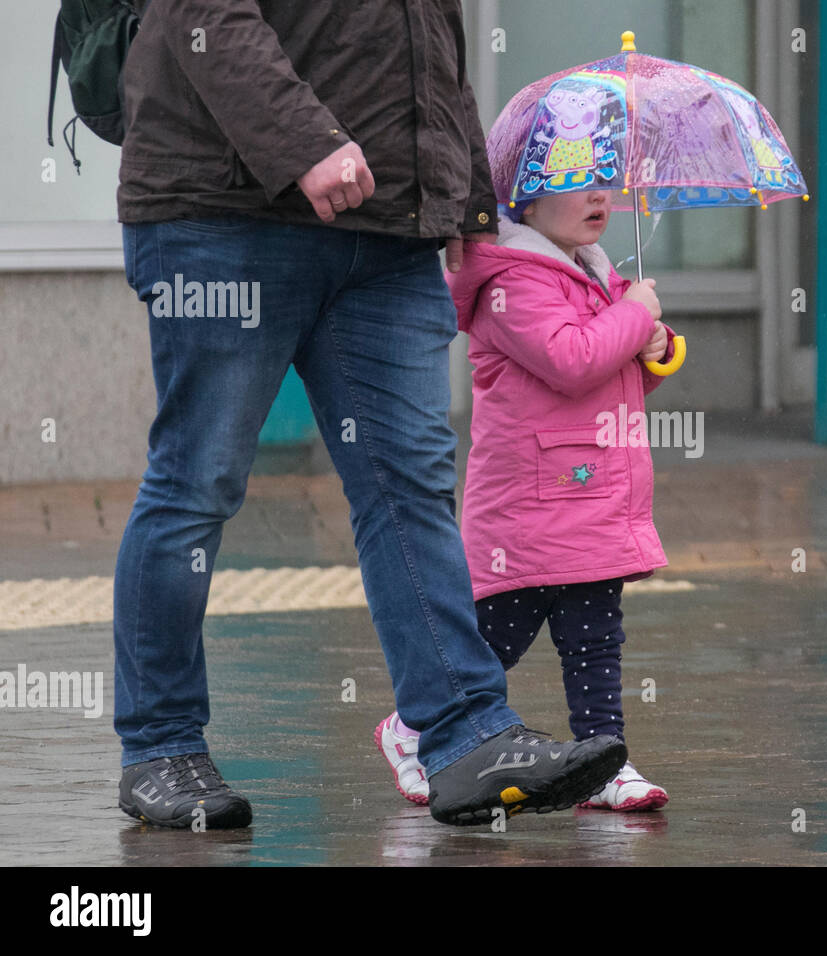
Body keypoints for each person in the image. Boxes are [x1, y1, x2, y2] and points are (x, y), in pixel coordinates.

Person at [111, 0, 625, 829]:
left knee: (411, 482)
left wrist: (460, 197)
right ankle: (160, 746)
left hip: (386, 231)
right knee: (197, 481)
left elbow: (430, 38)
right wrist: (305, 144)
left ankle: (464, 738)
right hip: (225, 218)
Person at [376, 180, 674, 812]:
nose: (599, 200)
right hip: (530, 506)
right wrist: (636, 315)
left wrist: (658, 348)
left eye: (603, 188)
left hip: (591, 501)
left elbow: (617, 379)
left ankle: (606, 757)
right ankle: (411, 728)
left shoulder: (595, 276)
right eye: (576, 188)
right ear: (526, 206)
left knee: (595, 636)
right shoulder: (515, 282)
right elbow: (572, 359)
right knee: (496, 641)